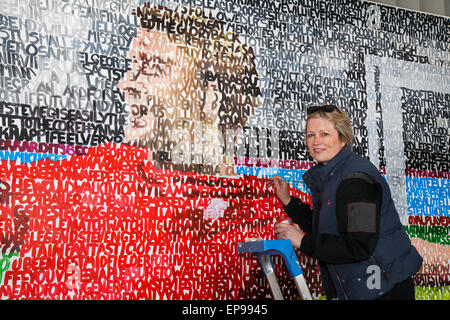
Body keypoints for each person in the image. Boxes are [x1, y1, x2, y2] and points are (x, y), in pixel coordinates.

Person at [271, 104, 423, 300]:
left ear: (342, 139)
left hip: (382, 288)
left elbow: (358, 245)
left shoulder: (356, 180)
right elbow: (327, 226)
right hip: (364, 287)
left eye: (324, 134)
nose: (316, 141)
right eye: (310, 135)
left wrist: (302, 241)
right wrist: (288, 201)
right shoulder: (331, 175)